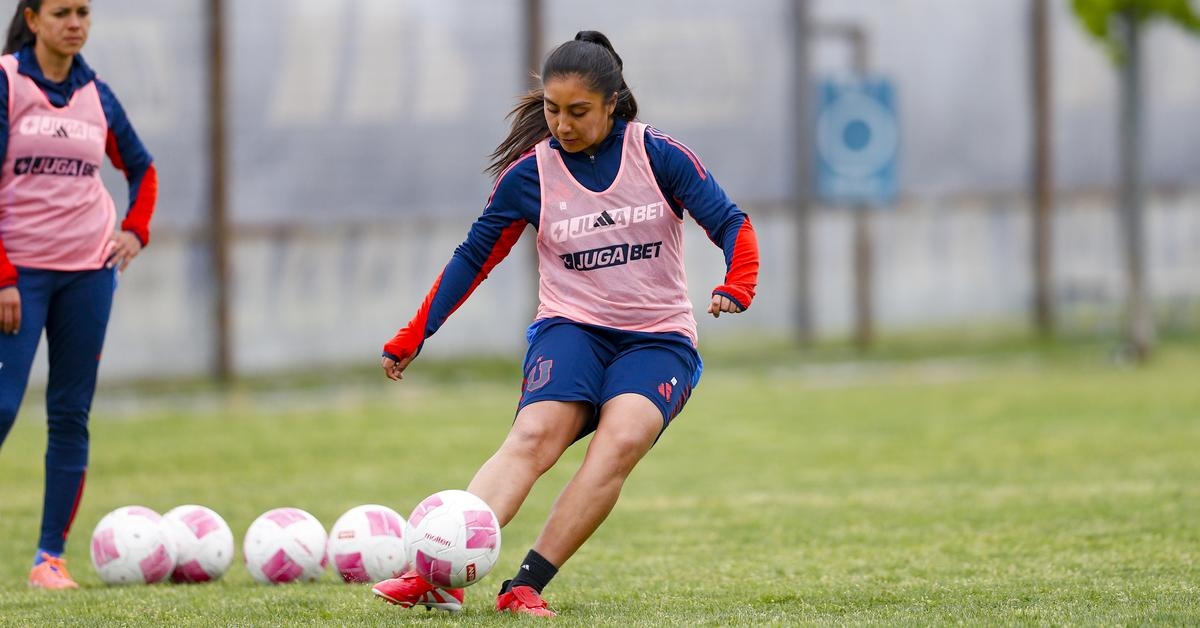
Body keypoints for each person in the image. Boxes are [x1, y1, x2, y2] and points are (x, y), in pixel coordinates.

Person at [371, 30, 758, 617]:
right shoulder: (532, 176)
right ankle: (437, 575)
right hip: (572, 329)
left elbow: (732, 222)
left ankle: (524, 586)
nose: (562, 124)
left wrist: (737, 284)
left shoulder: (657, 156)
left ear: (611, 103)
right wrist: (415, 333)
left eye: (578, 112)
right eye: (553, 110)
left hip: (657, 338)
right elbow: (472, 258)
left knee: (620, 440)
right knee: (533, 437)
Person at [0, 0, 157, 589]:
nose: (75, 22)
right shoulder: (8, 82)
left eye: (84, 12)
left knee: (70, 413)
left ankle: (49, 559)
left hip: (87, 273)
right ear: (33, 20)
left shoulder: (97, 94)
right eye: (62, 12)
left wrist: (135, 229)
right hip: (18, 276)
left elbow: (143, 168)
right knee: (4, 405)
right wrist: (4, 277)